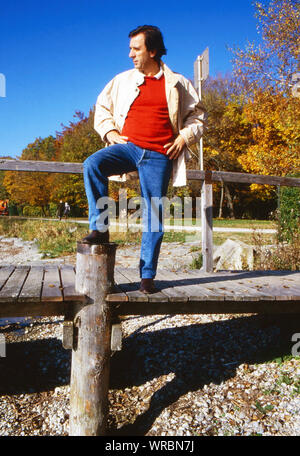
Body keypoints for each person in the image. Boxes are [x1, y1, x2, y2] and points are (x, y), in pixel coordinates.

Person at [82, 25, 205, 293]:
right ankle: (100, 228)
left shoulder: (178, 83)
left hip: (160, 154)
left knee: (153, 213)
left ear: (152, 50)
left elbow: (198, 117)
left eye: (136, 49)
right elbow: (101, 108)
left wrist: (184, 137)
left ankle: (147, 276)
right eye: (130, 49)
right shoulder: (122, 80)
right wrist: (110, 131)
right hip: (129, 147)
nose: (130, 54)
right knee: (93, 164)